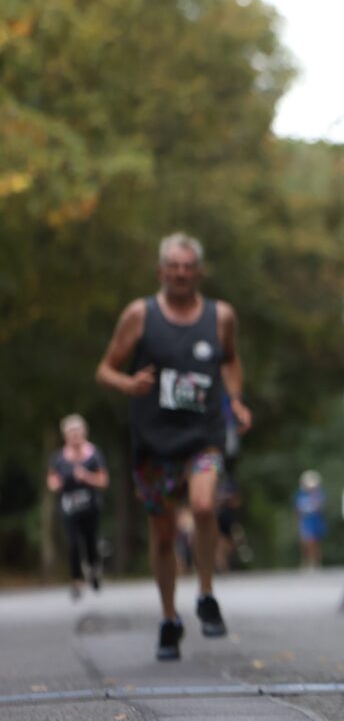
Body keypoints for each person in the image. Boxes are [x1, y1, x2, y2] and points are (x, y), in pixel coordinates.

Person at [96, 233, 251, 660]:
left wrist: (235, 399)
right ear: (161, 270)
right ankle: (169, 619)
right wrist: (129, 383)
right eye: (174, 266)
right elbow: (104, 369)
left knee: (204, 506)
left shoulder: (220, 317)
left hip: (203, 434)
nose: (181, 273)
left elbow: (231, 359)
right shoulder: (139, 316)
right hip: (154, 440)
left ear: (198, 271)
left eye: (189, 266)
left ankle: (204, 592)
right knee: (163, 534)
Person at [46, 414, 109, 599]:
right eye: (70, 431)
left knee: (90, 541)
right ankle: (76, 579)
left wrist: (87, 477)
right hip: (69, 507)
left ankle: (94, 570)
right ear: (65, 434)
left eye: (77, 430)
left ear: (84, 431)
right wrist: (55, 484)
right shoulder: (58, 458)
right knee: (73, 543)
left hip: (90, 507)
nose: (74, 435)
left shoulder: (94, 454)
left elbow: (104, 480)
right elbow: (51, 479)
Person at [294, 470, 327, 570]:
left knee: (316, 543)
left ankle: (316, 562)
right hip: (306, 522)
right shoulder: (300, 494)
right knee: (307, 543)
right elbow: (297, 509)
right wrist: (297, 522)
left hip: (316, 521)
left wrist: (314, 496)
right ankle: (307, 562)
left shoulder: (319, 494)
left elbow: (322, 507)